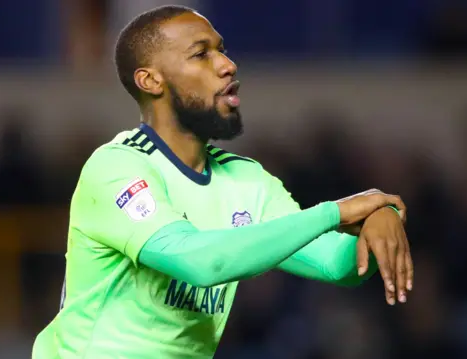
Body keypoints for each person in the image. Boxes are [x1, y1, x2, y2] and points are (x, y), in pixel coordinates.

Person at [32, 5, 413, 359]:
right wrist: (336, 212)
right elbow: (199, 262)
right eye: (201, 54)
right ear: (150, 80)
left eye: (223, 51)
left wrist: (380, 219)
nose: (228, 65)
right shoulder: (115, 167)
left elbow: (336, 265)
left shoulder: (246, 180)